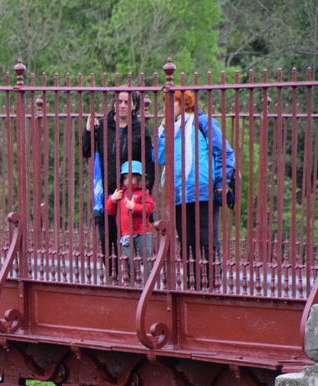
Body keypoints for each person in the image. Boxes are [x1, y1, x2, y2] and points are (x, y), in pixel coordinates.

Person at [155, 89, 235, 288]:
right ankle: (193, 285)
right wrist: (163, 132)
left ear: (184, 103)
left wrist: (222, 182)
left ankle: (214, 283)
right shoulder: (169, 129)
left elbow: (224, 151)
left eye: (170, 103)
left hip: (203, 189)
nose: (166, 108)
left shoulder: (203, 123)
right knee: (187, 242)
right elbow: (159, 158)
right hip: (179, 192)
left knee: (207, 239)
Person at [82, 90, 155, 280]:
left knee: (130, 235)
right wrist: (89, 131)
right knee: (107, 235)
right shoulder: (104, 126)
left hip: (130, 191)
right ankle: (112, 273)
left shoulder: (141, 130)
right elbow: (87, 151)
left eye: (127, 102)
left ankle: (134, 276)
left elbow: (148, 163)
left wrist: (147, 190)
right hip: (107, 190)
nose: (122, 105)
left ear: (134, 106)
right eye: (119, 101)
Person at [106, 160, 155, 281]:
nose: (128, 180)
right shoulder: (120, 193)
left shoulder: (143, 193)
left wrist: (135, 207)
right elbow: (109, 210)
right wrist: (112, 199)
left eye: (131, 177)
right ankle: (132, 282)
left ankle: (149, 283)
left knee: (146, 258)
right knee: (128, 261)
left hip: (143, 232)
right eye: (125, 177)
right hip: (126, 233)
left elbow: (149, 208)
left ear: (139, 178)